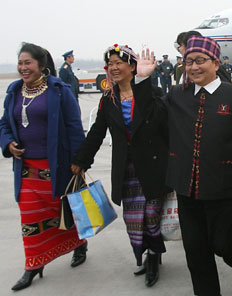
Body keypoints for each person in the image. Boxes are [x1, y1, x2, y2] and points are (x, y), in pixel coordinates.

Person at [135, 36, 232, 296]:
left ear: (215, 63)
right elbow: (148, 116)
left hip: (224, 189)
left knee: (223, 243)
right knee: (196, 253)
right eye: (188, 62)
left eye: (200, 61)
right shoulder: (176, 95)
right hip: (187, 189)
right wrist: (142, 80)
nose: (193, 67)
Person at [70, 44, 170, 287]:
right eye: (110, 64)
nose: (113, 68)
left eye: (119, 63)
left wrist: (144, 82)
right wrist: (81, 160)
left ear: (132, 67)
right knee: (135, 219)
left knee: (151, 215)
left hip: (153, 167)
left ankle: (154, 257)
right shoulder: (109, 99)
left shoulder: (154, 94)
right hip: (126, 170)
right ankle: (146, 253)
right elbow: (96, 133)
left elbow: (162, 124)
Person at [0, 43, 87, 291]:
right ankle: (33, 264)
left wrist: (78, 162)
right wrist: (8, 144)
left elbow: (73, 127)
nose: (23, 68)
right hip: (27, 171)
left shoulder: (59, 91)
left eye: (27, 62)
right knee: (29, 220)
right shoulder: (14, 91)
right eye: (20, 63)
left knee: (63, 215)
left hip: (57, 168)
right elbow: (4, 124)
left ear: (40, 64)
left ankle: (79, 244)